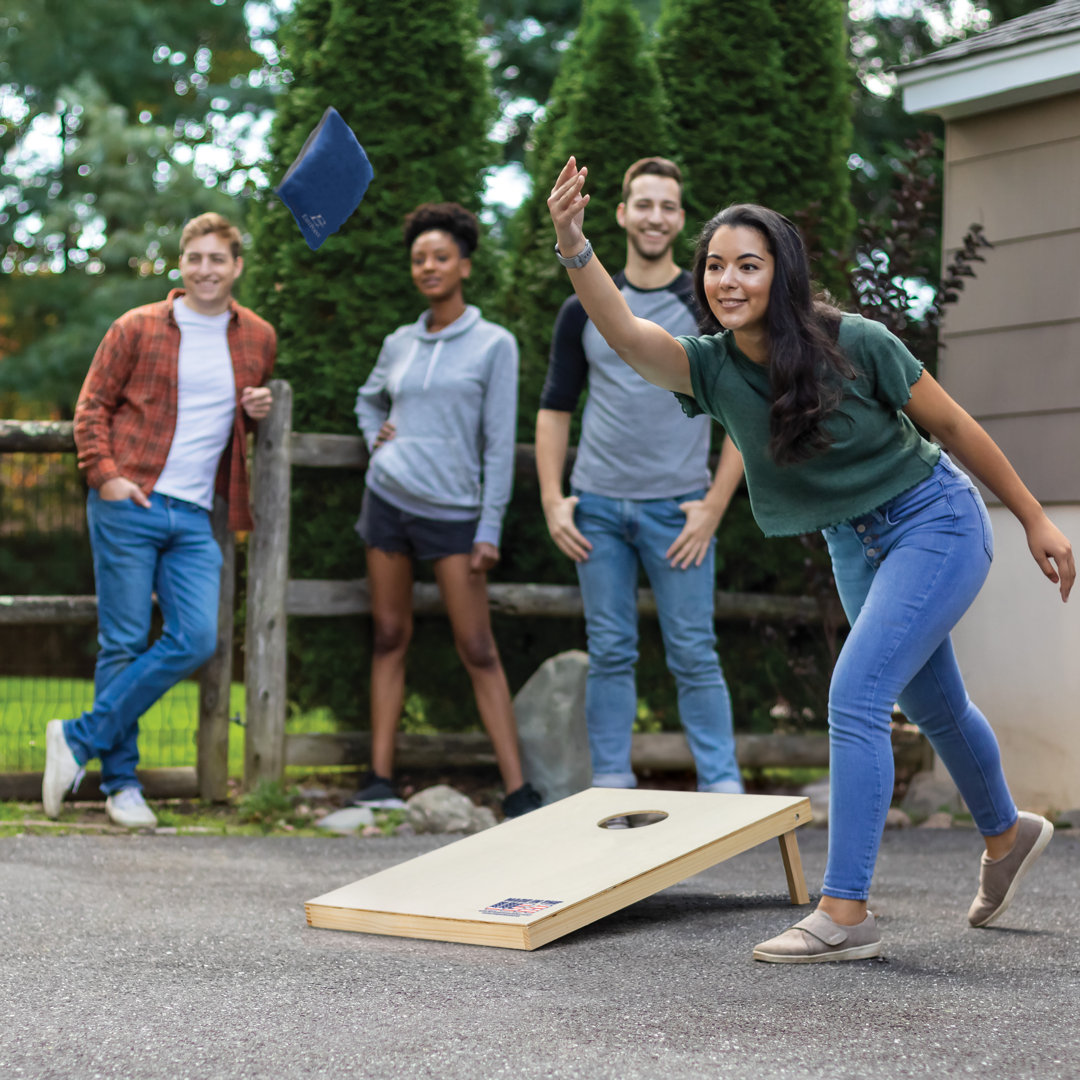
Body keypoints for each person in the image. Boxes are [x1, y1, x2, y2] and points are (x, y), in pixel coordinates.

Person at [547, 156, 1074, 962]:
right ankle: (1008, 835)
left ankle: (845, 913)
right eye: (715, 265)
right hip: (853, 544)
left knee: (857, 696)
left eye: (747, 265)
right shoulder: (713, 369)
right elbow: (623, 335)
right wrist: (574, 243)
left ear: (780, 274)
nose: (728, 279)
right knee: (935, 705)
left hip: (935, 520)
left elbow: (956, 428)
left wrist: (1036, 518)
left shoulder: (854, 341)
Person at [42, 212, 276, 829]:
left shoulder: (257, 337)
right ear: (181, 263)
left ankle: (76, 736)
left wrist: (257, 408)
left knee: (197, 636)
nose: (205, 269)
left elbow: (234, 421)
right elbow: (90, 407)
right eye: (195, 258)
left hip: (196, 516)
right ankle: (121, 786)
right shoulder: (138, 326)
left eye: (217, 259)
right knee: (122, 642)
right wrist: (108, 477)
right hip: (131, 503)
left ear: (236, 266)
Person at [536, 157, 745, 798]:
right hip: (597, 509)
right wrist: (554, 501)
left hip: (677, 512)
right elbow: (555, 407)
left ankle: (724, 792)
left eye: (668, 207)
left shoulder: (705, 303)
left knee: (693, 653)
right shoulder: (583, 308)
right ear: (622, 213)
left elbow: (742, 407)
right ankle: (610, 794)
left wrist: (712, 505)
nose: (655, 216)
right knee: (611, 651)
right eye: (643, 204)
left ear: (681, 221)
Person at [353, 202, 541, 818]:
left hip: (456, 514)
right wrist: (375, 435)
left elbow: (496, 443)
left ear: (463, 264)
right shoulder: (400, 342)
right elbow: (367, 400)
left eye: (439, 257)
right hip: (388, 501)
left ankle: (518, 790)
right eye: (418, 259)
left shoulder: (495, 344)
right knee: (388, 635)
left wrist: (489, 527)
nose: (428, 267)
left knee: (478, 646)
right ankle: (378, 780)